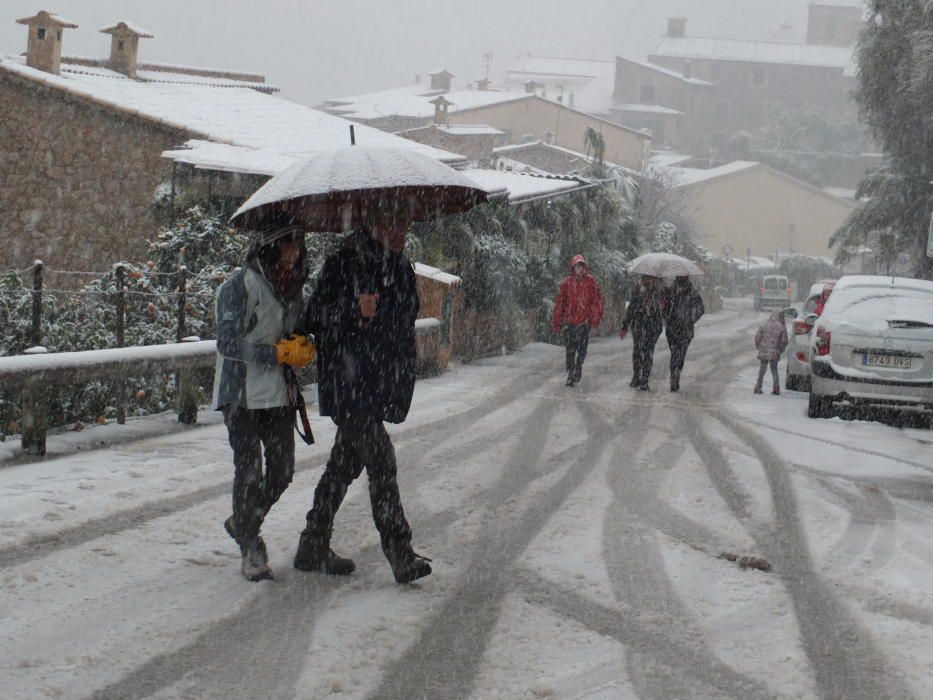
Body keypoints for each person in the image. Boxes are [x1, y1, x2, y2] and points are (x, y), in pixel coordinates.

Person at [293, 207, 431, 584]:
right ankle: (399, 552)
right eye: (398, 220)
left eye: (407, 221)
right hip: (349, 382)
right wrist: (353, 310)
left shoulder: (400, 266)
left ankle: (313, 542)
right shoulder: (343, 261)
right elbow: (314, 316)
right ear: (375, 223)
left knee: (344, 465)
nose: (404, 228)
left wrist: (385, 308)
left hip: (378, 382)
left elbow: (404, 318)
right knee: (382, 463)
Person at [213, 214, 315, 582]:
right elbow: (226, 342)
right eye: (288, 243)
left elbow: (294, 331)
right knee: (250, 471)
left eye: (298, 243)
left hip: (277, 394)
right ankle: (251, 546)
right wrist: (275, 354)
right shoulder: (240, 286)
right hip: (240, 394)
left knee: (283, 471)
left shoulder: (294, 287)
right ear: (270, 246)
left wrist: (303, 344)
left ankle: (242, 521)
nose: (294, 251)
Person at [551, 255, 604, 386]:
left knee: (582, 349)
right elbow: (560, 304)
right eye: (577, 266)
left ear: (585, 268)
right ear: (573, 268)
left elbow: (597, 301)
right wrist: (557, 322)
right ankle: (570, 374)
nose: (580, 269)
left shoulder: (591, 282)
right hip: (570, 323)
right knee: (570, 350)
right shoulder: (566, 283)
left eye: (582, 266)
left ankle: (579, 366)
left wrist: (595, 317)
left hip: (584, 322)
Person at [620, 276, 664, 391]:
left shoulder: (657, 293)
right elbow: (630, 309)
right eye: (645, 278)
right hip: (638, 327)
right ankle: (636, 377)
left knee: (648, 354)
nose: (647, 281)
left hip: (651, 328)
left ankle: (644, 380)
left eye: (650, 279)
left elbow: (660, 313)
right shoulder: (637, 291)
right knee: (637, 353)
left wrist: (657, 329)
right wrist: (625, 325)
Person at [662, 276, 705, 392]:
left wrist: (690, 318)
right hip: (673, 329)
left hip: (685, 330)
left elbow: (700, 309)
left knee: (679, 354)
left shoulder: (692, 292)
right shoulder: (671, 290)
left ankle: (675, 374)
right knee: (676, 353)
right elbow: (663, 307)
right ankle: (674, 374)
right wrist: (667, 316)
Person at [754, 310, 789, 395]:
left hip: (764, 350)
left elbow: (757, 336)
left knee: (762, 369)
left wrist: (759, 346)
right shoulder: (781, 327)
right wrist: (780, 349)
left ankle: (758, 387)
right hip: (774, 351)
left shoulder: (764, 324)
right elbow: (784, 341)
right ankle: (776, 388)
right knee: (774, 370)